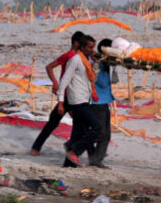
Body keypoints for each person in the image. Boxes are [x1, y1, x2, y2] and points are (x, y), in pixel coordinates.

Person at [30, 31, 86, 155]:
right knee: (54, 122)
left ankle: (78, 148)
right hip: (65, 95)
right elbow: (49, 67)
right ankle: (36, 148)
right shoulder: (68, 56)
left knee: (81, 123)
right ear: (76, 43)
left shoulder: (81, 58)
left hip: (76, 94)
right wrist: (55, 83)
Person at [57, 34, 101, 167]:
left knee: (78, 132)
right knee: (97, 128)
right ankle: (74, 152)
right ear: (82, 47)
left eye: (93, 47)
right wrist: (60, 102)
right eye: (89, 47)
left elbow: (93, 78)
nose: (92, 50)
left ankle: (68, 165)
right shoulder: (75, 60)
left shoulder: (87, 62)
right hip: (77, 100)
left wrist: (96, 63)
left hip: (84, 98)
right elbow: (64, 80)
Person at [88, 38, 117, 168]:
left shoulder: (103, 64)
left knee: (104, 133)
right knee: (102, 134)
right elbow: (103, 82)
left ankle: (95, 158)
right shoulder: (98, 64)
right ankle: (94, 158)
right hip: (97, 102)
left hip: (103, 101)